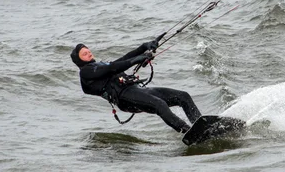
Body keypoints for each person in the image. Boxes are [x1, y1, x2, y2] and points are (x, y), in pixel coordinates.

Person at [70, 34, 202, 133]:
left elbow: (123, 59)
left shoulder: (99, 65)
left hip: (137, 90)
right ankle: (190, 132)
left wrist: (144, 47)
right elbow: (113, 67)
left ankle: (202, 125)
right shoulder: (86, 73)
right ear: (79, 60)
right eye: (84, 54)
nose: (89, 53)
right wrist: (136, 60)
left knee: (183, 96)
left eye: (88, 51)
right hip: (124, 98)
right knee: (159, 105)